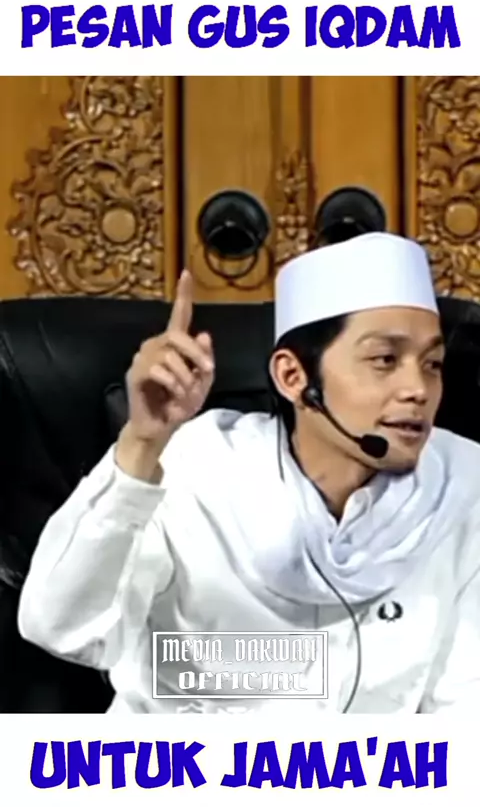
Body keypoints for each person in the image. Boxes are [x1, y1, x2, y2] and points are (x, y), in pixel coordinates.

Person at [18, 232, 480, 714]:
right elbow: (62, 628)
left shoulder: (463, 486)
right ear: (293, 377)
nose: (418, 389)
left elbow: (464, 712)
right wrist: (142, 443)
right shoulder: (197, 467)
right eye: (385, 360)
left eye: (432, 364)